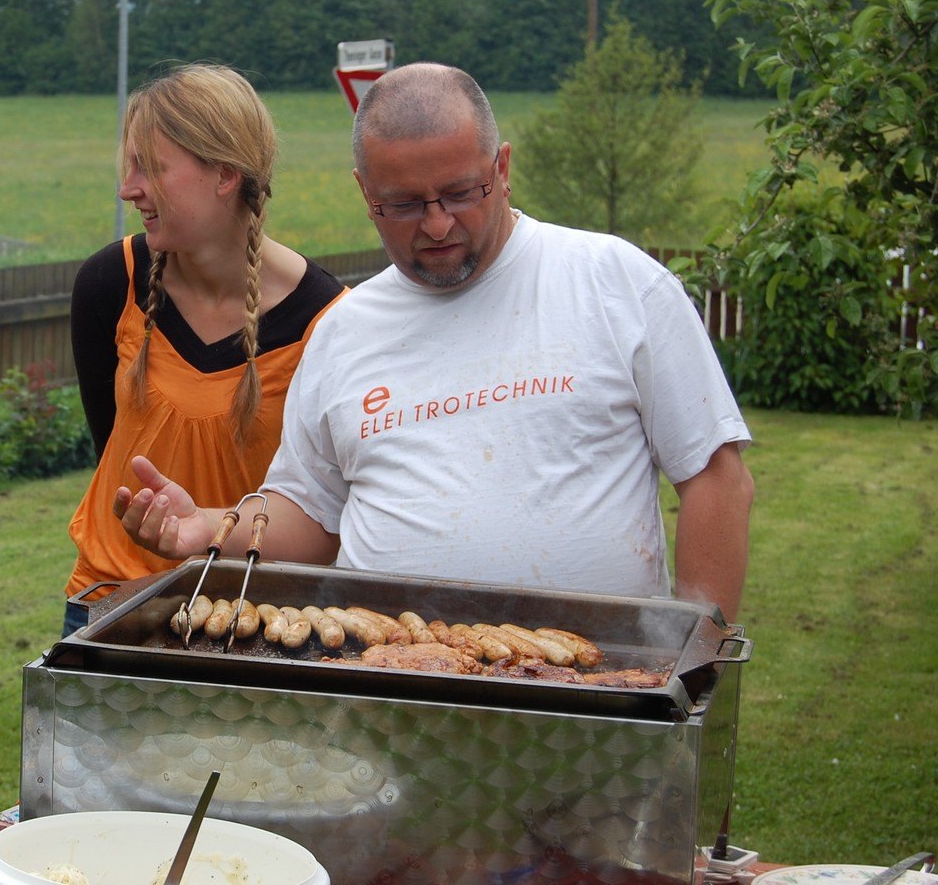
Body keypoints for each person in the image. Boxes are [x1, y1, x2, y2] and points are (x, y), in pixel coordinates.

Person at [117, 62, 754, 622]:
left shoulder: (616, 284)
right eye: (403, 205)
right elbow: (310, 516)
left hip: (593, 685)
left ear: (502, 168)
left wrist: (698, 648)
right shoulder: (344, 330)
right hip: (395, 681)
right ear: (366, 193)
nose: (439, 224)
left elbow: (715, 477)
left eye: (460, 193)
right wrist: (208, 525)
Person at [64, 63, 346, 636]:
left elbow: (325, 512)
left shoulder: (330, 324)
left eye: (149, 167)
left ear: (224, 174)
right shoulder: (110, 282)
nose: (127, 188)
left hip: (250, 625)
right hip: (108, 607)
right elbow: (111, 447)